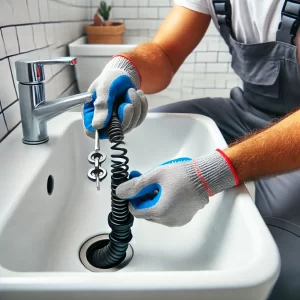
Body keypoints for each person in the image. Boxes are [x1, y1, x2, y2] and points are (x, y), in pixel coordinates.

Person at [82, 1, 300, 299]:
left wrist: (209, 175)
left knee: (281, 271)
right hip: (244, 111)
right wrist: (126, 67)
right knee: (152, 135)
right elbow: (166, 53)